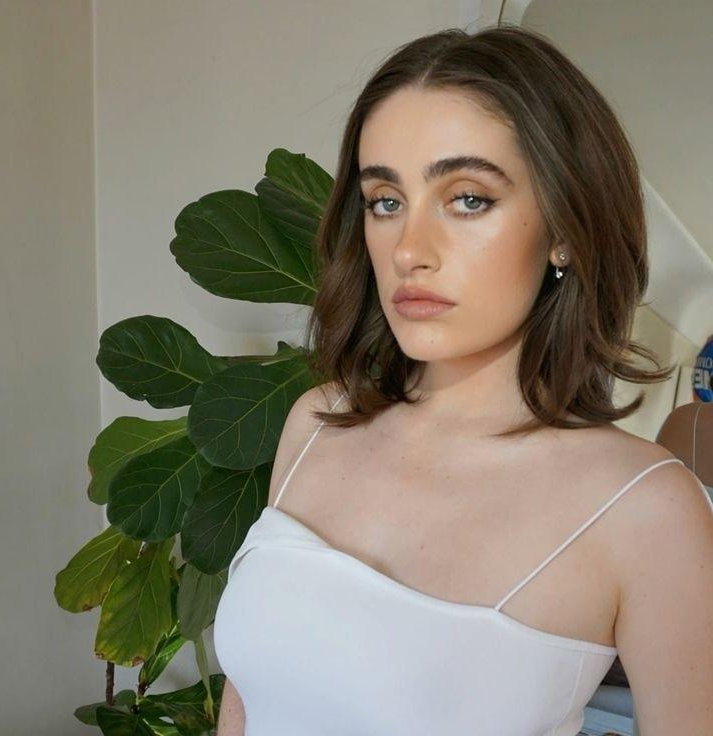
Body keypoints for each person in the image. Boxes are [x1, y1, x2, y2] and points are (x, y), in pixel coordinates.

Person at [213, 24, 713, 736]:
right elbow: (247, 700)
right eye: (386, 201)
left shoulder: (646, 511)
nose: (409, 250)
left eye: (468, 198)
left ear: (564, 229)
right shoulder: (316, 422)